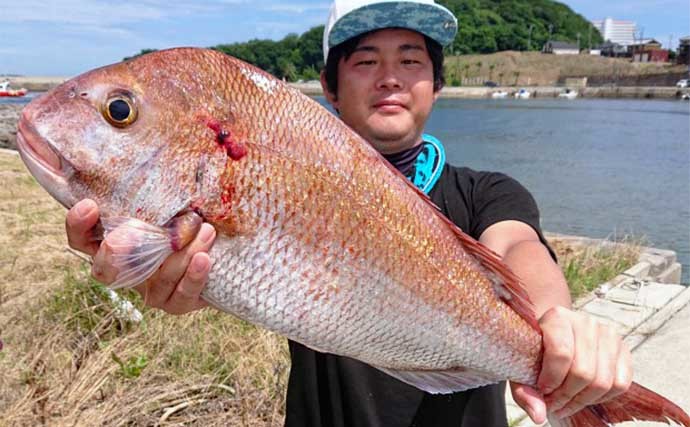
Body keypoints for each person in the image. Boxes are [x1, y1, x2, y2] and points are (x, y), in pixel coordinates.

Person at [65, 1, 632, 425]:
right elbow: (238, 268)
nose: (390, 76)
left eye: (411, 59)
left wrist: (556, 325)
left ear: (437, 85)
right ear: (331, 88)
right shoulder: (284, 171)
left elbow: (517, 247)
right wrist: (166, 279)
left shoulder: (485, 192)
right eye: (366, 60)